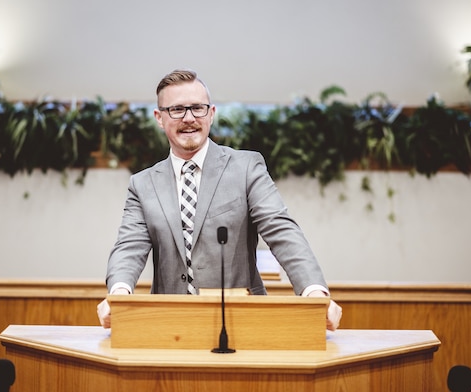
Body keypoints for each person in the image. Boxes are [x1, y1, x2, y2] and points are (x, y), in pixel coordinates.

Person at [97, 69, 342, 330]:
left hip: (242, 322)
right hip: (169, 324)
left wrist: (314, 292)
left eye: (197, 108)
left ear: (211, 113)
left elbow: (281, 229)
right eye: (177, 109)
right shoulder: (143, 184)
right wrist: (119, 294)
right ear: (159, 117)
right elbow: (129, 247)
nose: (189, 118)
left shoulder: (246, 167)